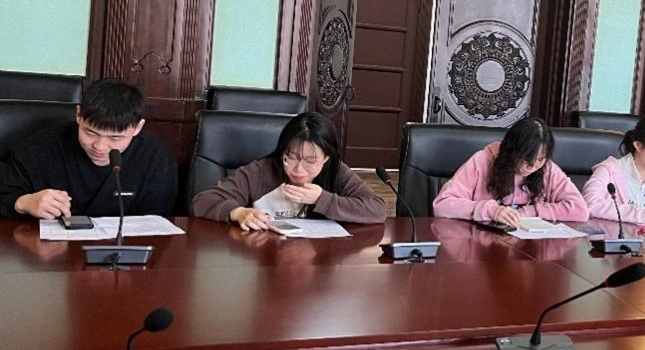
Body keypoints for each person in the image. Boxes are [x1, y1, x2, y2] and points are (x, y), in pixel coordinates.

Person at [0, 78, 177, 219]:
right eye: (90, 133)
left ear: (138, 128)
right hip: (46, 250)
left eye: (115, 138)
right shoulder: (41, 148)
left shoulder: (155, 156)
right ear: (78, 115)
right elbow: (5, 194)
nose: (100, 146)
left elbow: (157, 221)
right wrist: (24, 202)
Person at [191, 111, 385, 229]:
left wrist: (321, 199)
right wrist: (237, 212)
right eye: (290, 157)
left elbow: (377, 209)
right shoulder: (262, 170)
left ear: (326, 158)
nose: (298, 169)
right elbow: (202, 201)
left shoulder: (337, 172)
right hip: (264, 258)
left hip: (319, 260)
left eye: (310, 160)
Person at [432, 117, 589, 226]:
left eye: (540, 160)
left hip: (530, 247)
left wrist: (529, 211)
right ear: (512, 151)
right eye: (526, 159)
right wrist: (491, 210)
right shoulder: (481, 161)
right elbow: (441, 205)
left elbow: (580, 210)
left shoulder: (547, 168)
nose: (532, 166)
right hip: (482, 246)